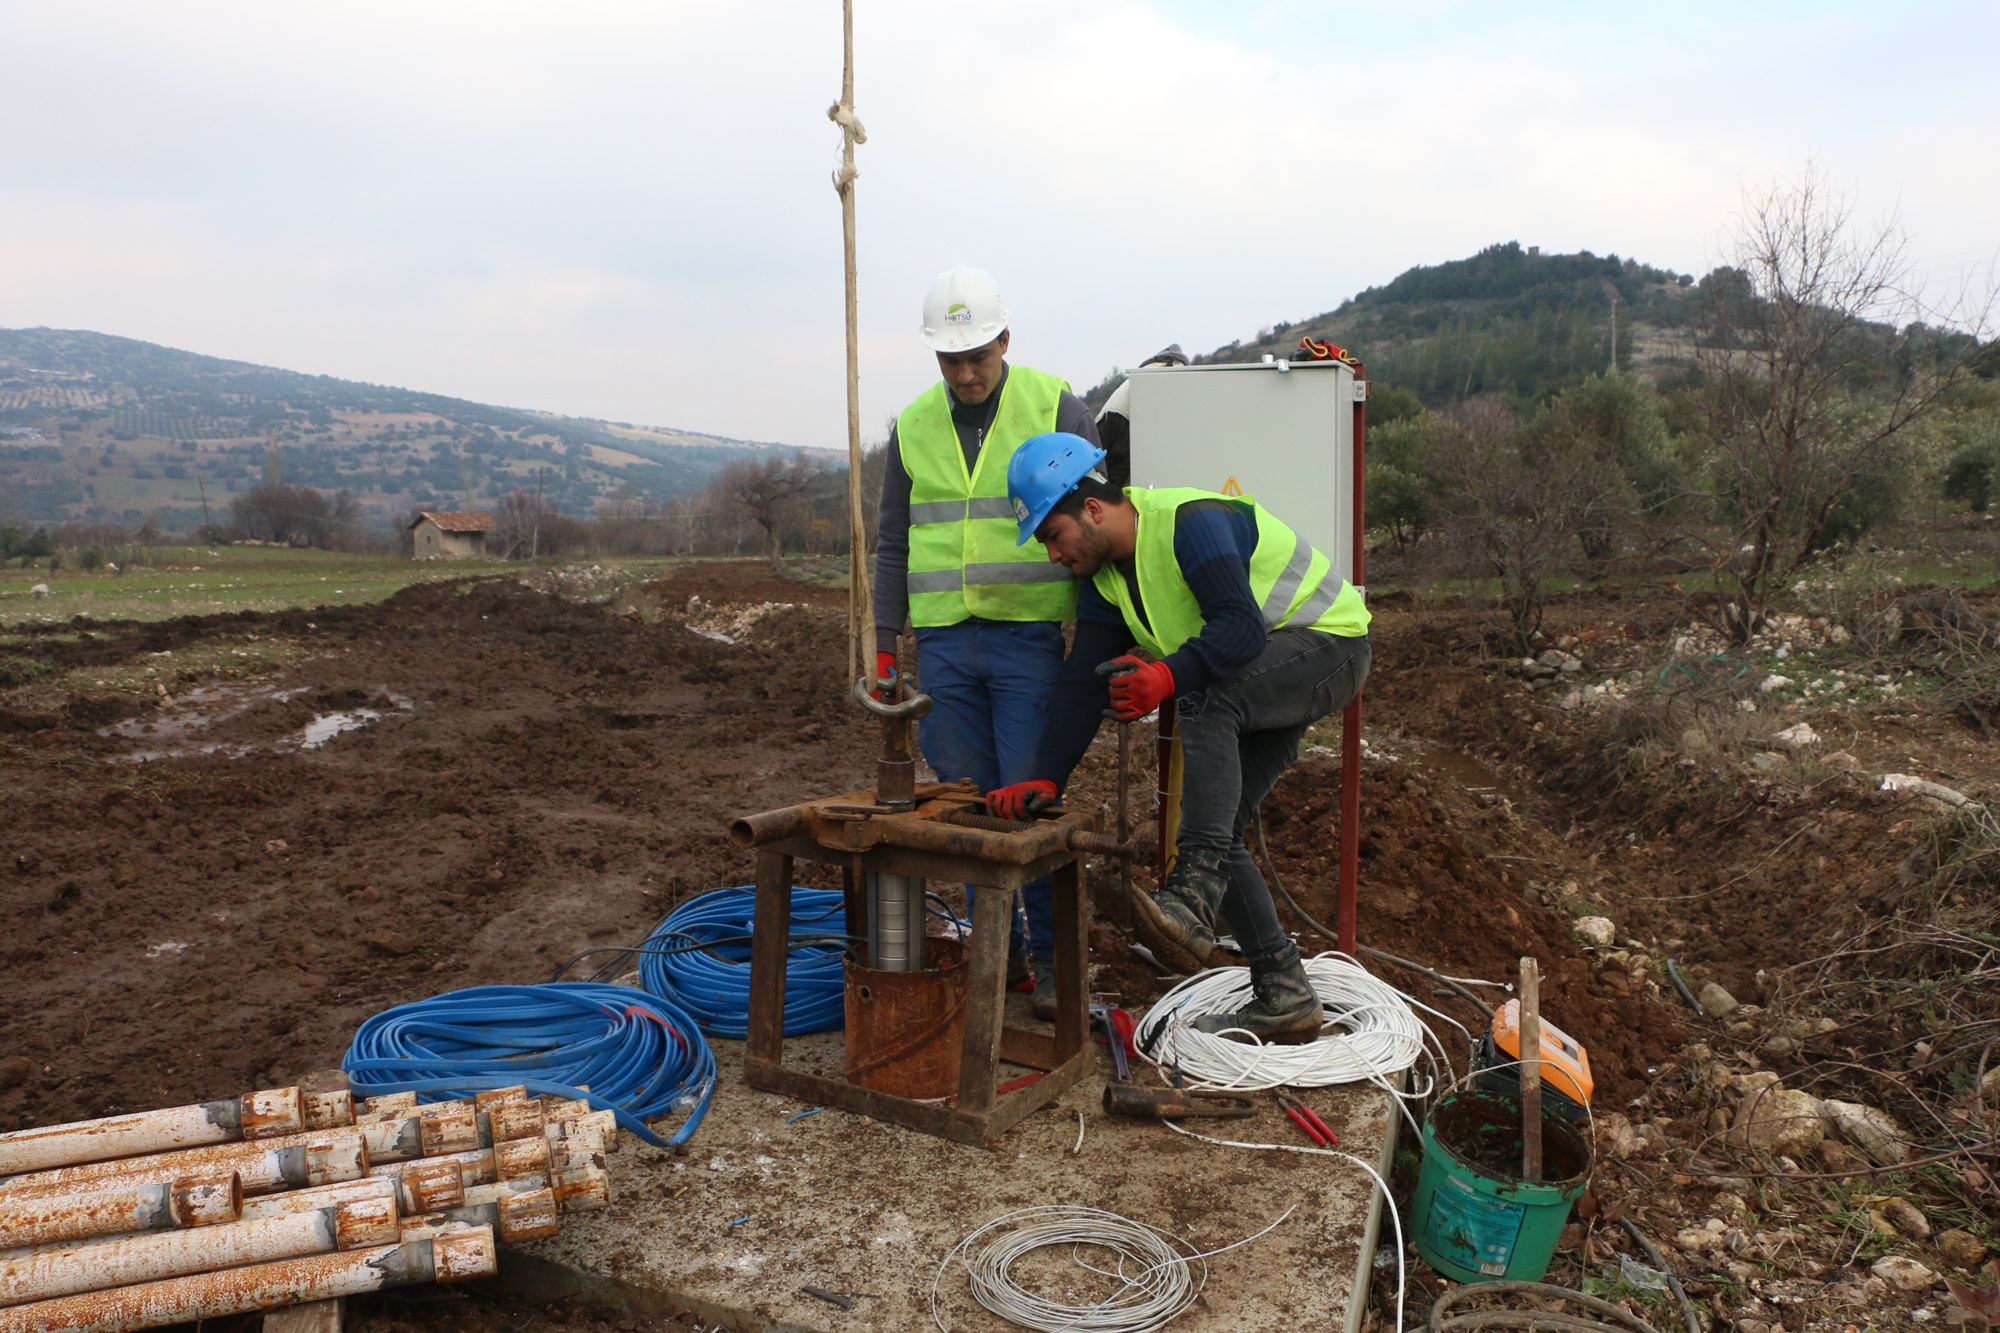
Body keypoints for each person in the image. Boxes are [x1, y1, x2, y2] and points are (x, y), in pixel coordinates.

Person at [986, 432, 1372, 1041]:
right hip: (1261, 676)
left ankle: (1192, 900)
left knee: (1201, 697)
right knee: (1221, 828)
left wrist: (1165, 677)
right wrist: (1046, 777)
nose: (1053, 555)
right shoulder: (1106, 581)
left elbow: (1240, 630)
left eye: (1053, 535)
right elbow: (1082, 683)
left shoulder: (1192, 521)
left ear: (1092, 508)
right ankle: (1286, 992)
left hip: (1331, 647)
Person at [873, 267, 1102, 1019]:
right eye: (951, 359)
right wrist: (884, 642)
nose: (965, 373)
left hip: (1026, 637)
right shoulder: (913, 425)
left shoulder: (1053, 403)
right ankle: (1002, 960)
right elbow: (893, 540)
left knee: (1031, 801)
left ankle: (1058, 969)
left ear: (1005, 340)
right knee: (971, 806)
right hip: (943, 643)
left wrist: (1101, 636)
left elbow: (1097, 521)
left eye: (977, 356)